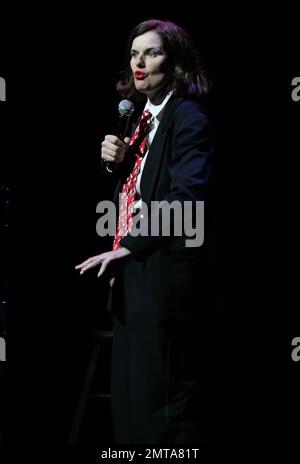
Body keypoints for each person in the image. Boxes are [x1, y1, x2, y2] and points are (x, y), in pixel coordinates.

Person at [75, 19, 222, 444]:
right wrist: (113, 164)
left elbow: (188, 200)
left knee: (164, 414)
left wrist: (130, 248)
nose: (139, 63)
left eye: (152, 53)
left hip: (165, 280)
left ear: (175, 62)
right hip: (134, 276)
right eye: (135, 54)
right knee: (132, 408)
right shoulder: (141, 119)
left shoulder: (187, 117)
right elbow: (138, 191)